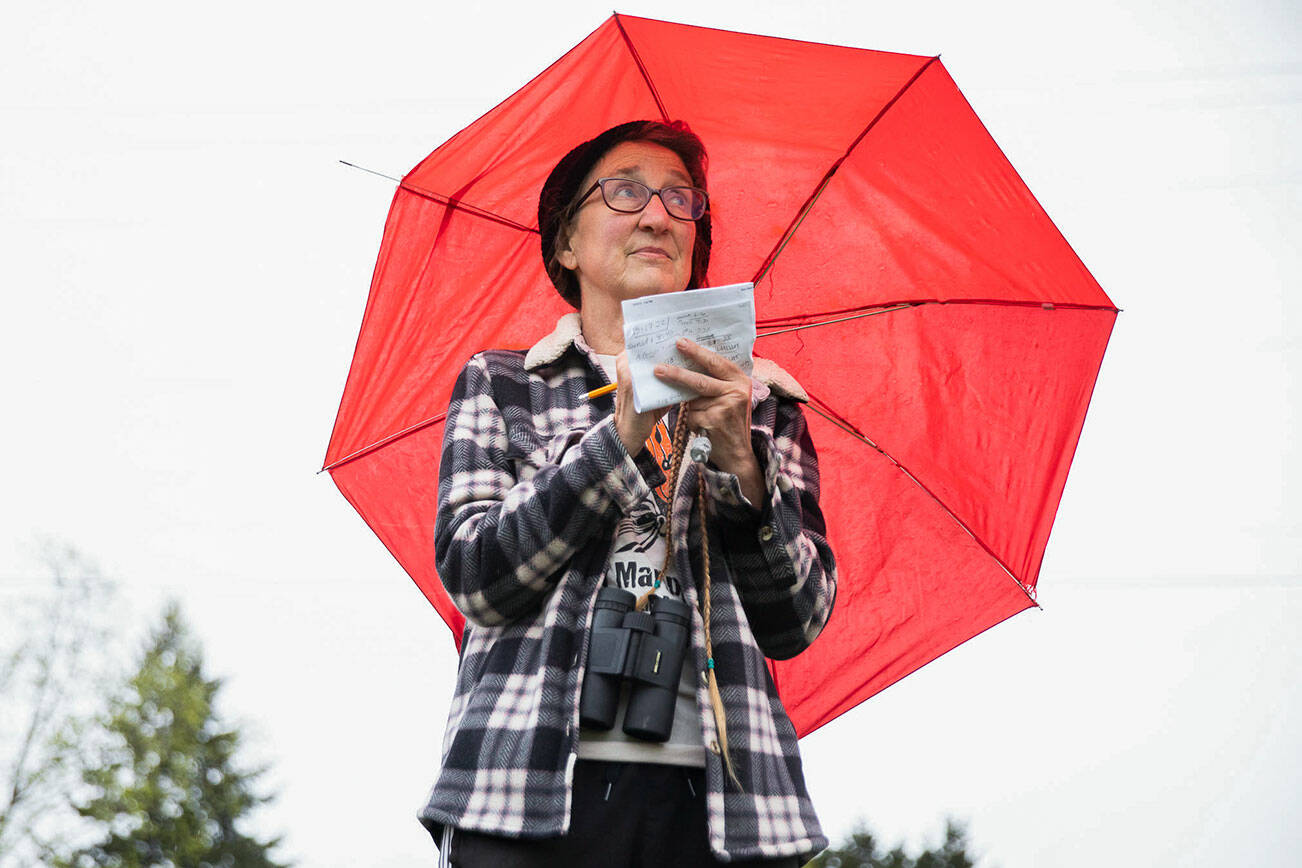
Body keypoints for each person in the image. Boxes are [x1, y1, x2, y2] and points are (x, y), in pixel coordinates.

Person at [419, 120, 837, 867]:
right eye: (624, 191)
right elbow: (477, 577)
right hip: (523, 798)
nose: (656, 215)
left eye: (682, 201)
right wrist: (618, 439)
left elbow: (796, 620)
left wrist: (743, 466)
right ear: (566, 244)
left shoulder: (761, 403)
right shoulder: (504, 383)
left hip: (725, 811)